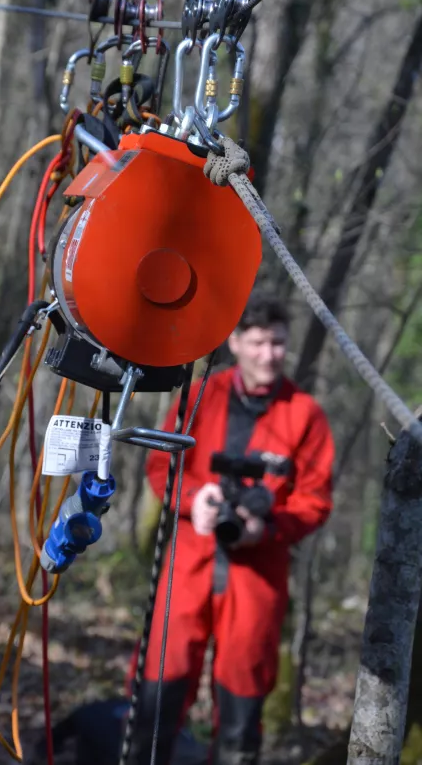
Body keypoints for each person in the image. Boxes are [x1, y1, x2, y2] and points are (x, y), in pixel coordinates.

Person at [126, 292, 335, 765]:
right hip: (188, 563)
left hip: (257, 575)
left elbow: (315, 500)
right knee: (157, 693)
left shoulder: (305, 415)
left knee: (242, 708)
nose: (270, 354)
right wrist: (194, 498)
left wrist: (269, 526)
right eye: (258, 342)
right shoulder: (201, 395)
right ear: (236, 343)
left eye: (278, 343)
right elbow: (162, 467)